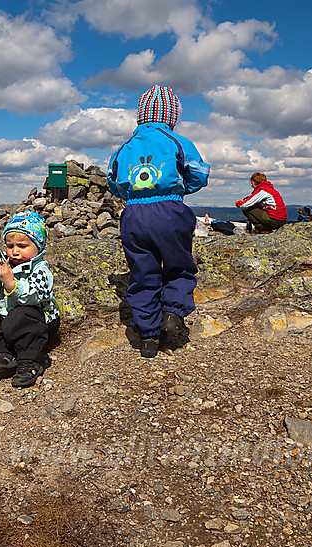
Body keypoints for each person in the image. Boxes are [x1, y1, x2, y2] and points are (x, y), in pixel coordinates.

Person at [107, 84, 210, 358]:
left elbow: (112, 179)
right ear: (171, 115)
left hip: (133, 214)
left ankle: (148, 336)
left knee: (142, 271)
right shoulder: (177, 141)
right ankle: (173, 312)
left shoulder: (125, 146)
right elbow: (199, 174)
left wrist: (129, 194)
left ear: (141, 115)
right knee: (178, 264)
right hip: (170, 210)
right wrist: (180, 188)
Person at [0, 211, 59, 388]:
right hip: (6, 316)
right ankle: (1, 356)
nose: (14, 251)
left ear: (38, 246)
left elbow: (36, 296)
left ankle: (30, 361)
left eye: (22, 246)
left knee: (20, 318)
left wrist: (12, 285)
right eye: (10, 246)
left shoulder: (40, 270)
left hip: (38, 320)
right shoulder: (7, 263)